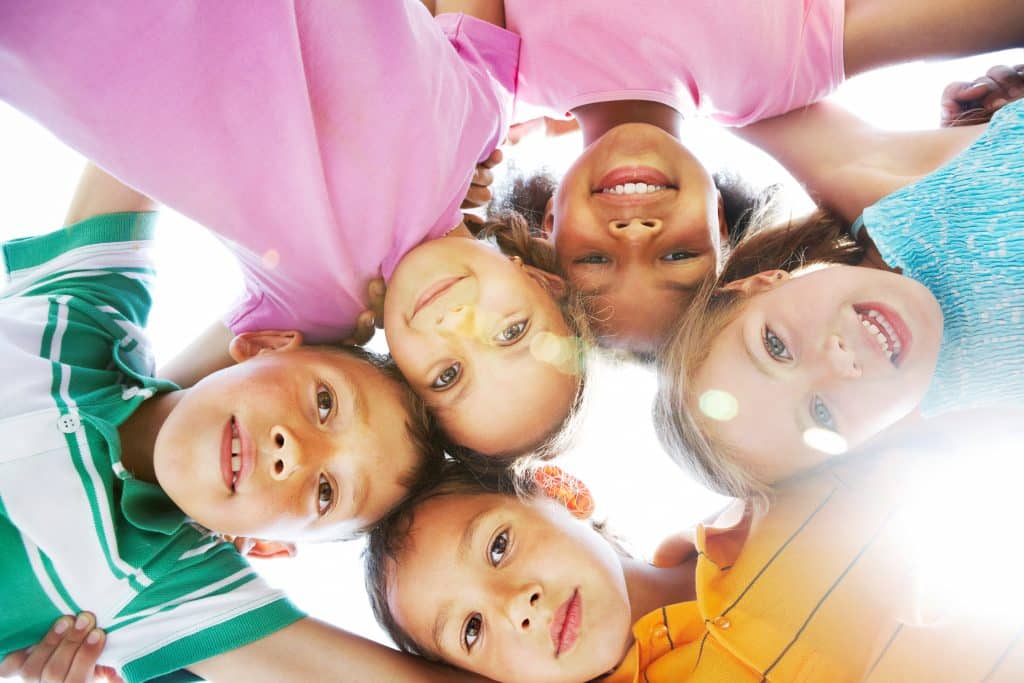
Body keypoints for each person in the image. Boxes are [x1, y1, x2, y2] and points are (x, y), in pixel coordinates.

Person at [0, 1, 587, 459]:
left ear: (404, 386)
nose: (460, 327)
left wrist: (210, 506)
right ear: (539, 276)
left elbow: (156, 410)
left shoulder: (324, 312)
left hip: (75, 30)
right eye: (510, 332)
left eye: (449, 374)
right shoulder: (485, 116)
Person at [0, 165, 488, 683]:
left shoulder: (168, 587)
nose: (293, 454)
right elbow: (148, 106)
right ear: (262, 348)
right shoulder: (85, 316)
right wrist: (434, 170)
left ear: (269, 543)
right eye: (324, 404)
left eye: (325, 493)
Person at [474, 0, 1024, 356]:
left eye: (595, 261)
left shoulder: (496, 76)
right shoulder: (779, 75)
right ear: (716, 220)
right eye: (678, 257)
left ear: (549, 225)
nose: (637, 233)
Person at [363, 413, 1024, 683]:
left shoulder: (776, 500)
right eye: (472, 629)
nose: (517, 607)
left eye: (499, 545)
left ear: (562, 490)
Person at [655, 98, 1024, 499]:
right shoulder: (983, 420)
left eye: (775, 345)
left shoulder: (881, 182)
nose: (840, 362)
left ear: (762, 282)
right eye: (822, 416)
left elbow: (707, 70)